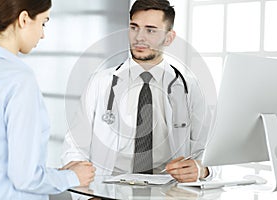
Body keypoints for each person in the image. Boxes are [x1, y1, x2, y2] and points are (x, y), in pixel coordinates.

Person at [62, 0, 217, 183]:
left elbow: (210, 153)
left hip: (168, 192)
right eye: (134, 28)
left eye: (150, 30)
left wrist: (202, 170)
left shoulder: (190, 89)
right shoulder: (100, 83)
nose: (139, 37)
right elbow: (75, 148)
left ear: (169, 38)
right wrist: (88, 195)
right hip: (110, 189)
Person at [0, 0, 95, 199]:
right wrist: (72, 177)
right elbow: (25, 177)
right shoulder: (19, 79)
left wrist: (59, 174)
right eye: (43, 23)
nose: (42, 34)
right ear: (23, 19)